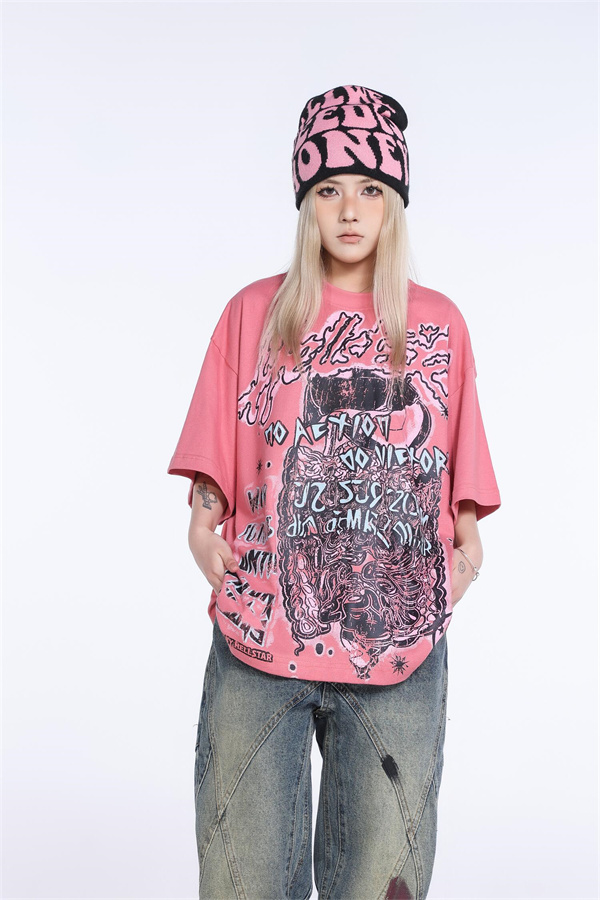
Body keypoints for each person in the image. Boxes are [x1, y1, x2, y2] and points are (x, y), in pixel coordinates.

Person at [167, 84, 501, 900]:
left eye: (371, 189)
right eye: (329, 190)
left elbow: (460, 472)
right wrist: (202, 527)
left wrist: (465, 554)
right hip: (261, 634)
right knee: (243, 882)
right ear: (305, 201)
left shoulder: (438, 323)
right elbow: (218, 457)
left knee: (384, 883)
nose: (350, 210)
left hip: (398, 643)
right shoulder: (253, 314)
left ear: (395, 203)